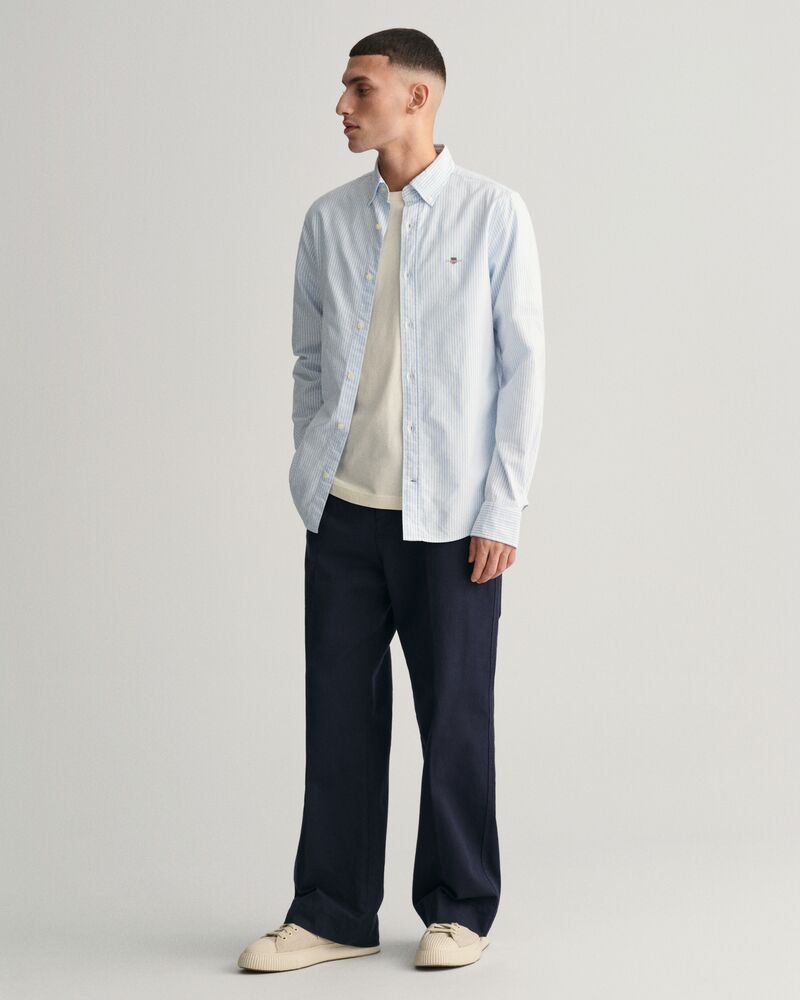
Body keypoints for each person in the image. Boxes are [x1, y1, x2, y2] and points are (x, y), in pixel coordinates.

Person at [238, 26, 545, 974]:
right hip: (343, 513)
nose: (341, 105)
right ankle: (332, 911)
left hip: (450, 522)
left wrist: (502, 509)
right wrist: (312, 466)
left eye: (359, 88)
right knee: (337, 715)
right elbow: (310, 358)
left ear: (418, 96)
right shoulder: (327, 221)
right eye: (343, 88)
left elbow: (524, 371)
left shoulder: (493, 214)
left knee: (455, 717)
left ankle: (458, 908)